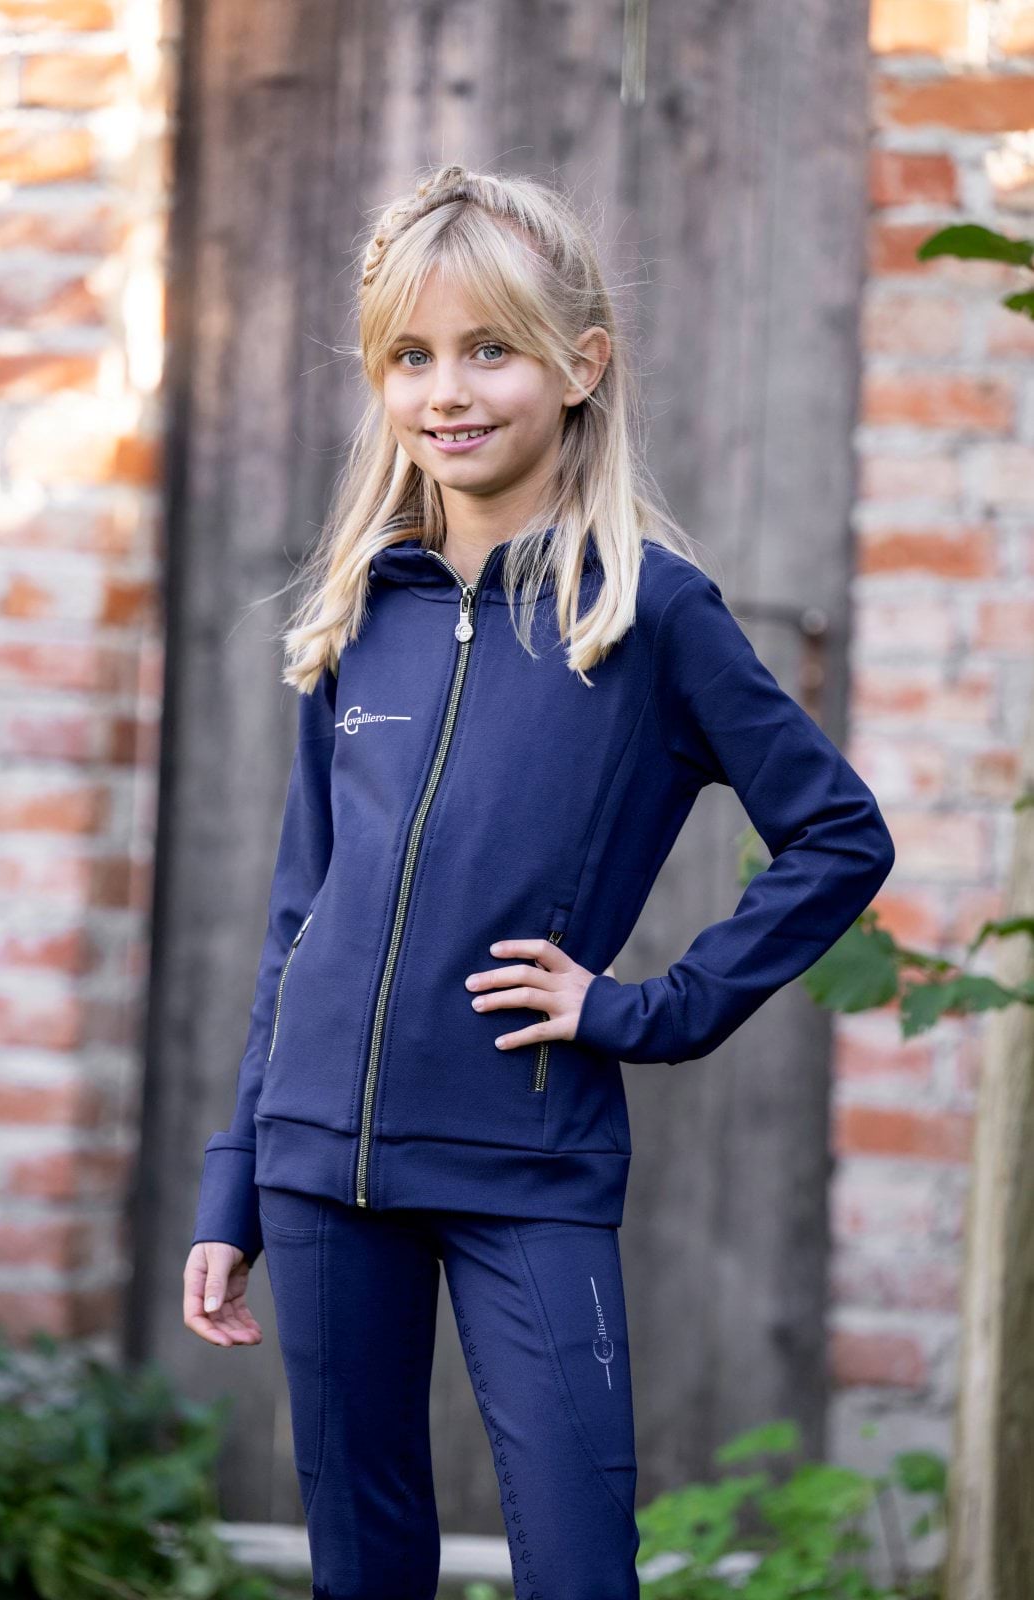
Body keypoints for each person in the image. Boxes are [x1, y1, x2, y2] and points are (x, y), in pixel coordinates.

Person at [182, 163, 895, 1600]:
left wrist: (650, 1011)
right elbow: (301, 917)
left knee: (578, 1568)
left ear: (582, 364)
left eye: (491, 349)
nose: (447, 392)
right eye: (410, 356)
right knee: (361, 1568)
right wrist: (234, 1178)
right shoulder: (359, 613)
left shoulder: (650, 610)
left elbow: (839, 835)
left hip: (529, 1163)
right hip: (319, 1165)